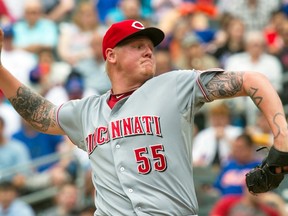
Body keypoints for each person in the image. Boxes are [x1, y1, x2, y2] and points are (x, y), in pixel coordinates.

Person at [0, 19, 287, 216]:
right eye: (137, 45)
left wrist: (283, 139)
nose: (149, 50)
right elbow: (39, 113)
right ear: (111, 55)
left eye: (150, 45)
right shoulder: (86, 111)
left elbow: (253, 79)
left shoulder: (175, 85)